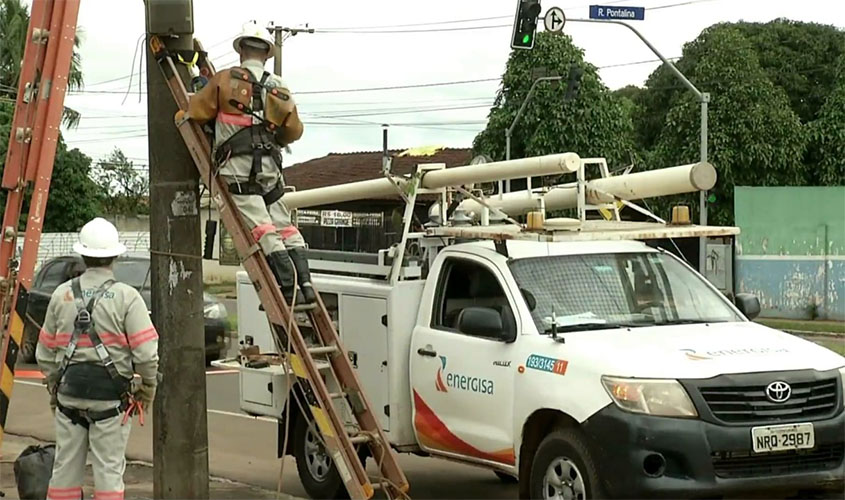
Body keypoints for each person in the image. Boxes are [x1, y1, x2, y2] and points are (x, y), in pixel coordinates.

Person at [182, 20, 316, 306]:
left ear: (241, 50)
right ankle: (305, 284)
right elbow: (294, 131)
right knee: (284, 225)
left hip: (237, 168)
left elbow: (198, 112)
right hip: (270, 168)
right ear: (267, 54)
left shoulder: (225, 80)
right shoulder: (280, 87)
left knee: (262, 226)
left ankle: (287, 286)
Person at [36, 217, 159, 500]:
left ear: (82, 255)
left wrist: (55, 385)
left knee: (64, 472)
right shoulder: (127, 298)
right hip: (111, 402)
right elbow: (146, 354)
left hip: (69, 398)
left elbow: (44, 353)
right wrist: (148, 386)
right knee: (109, 473)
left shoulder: (61, 295)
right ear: (115, 256)